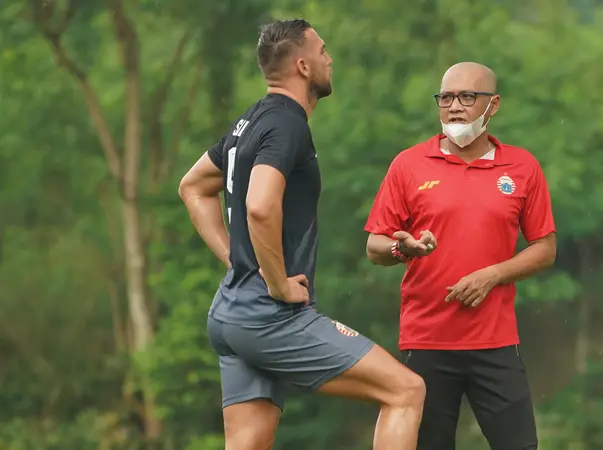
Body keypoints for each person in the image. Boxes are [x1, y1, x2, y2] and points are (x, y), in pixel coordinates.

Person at [178, 19, 425, 450]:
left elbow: (193, 187)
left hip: (230, 316)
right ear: (303, 65)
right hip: (268, 316)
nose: (329, 58)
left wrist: (239, 262)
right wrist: (275, 282)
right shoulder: (287, 124)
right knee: (405, 391)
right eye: (323, 50)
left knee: (248, 443)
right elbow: (259, 205)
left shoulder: (250, 121)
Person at [363, 61, 557, 450]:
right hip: (427, 342)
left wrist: (492, 275)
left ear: (493, 104)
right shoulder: (409, 164)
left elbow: (545, 249)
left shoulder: (522, 167)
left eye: (468, 97)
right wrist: (404, 247)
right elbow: (375, 247)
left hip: (496, 342)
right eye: (446, 97)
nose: (454, 107)